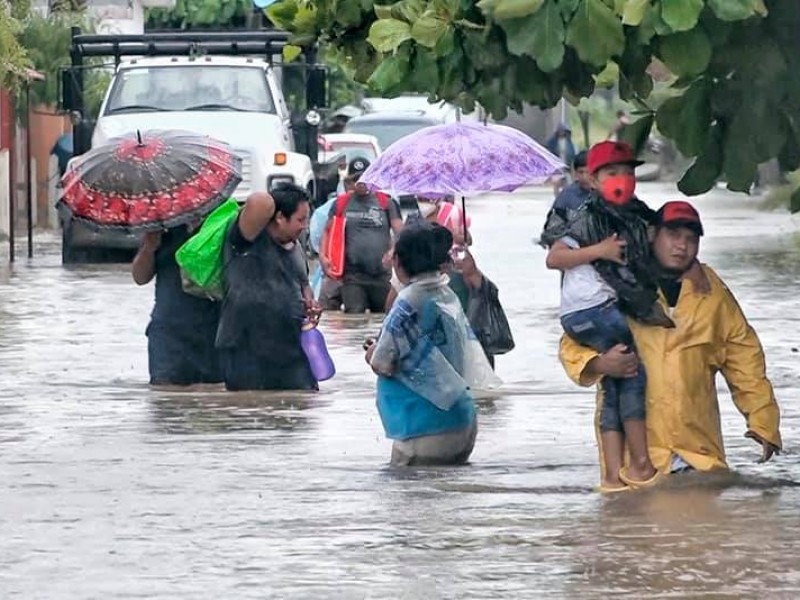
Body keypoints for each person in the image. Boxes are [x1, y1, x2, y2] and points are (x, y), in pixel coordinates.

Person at [560, 201, 782, 491]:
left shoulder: (714, 294)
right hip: (635, 464)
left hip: (699, 453)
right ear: (653, 235)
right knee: (631, 531)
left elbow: (745, 359)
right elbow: (572, 339)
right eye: (674, 236)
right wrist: (600, 364)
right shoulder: (618, 280)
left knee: (703, 531)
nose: (682, 246)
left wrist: (763, 423)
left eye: (691, 239)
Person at [543, 141, 669, 489]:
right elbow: (554, 259)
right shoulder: (587, 217)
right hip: (590, 310)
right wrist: (601, 250)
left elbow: (657, 236)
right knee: (632, 374)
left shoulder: (634, 213)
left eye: (629, 172)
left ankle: (614, 476)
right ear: (592, 180)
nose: (623, 179)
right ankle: (641, 464)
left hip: (592, 311)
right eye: (613, 173)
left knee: (614, 389)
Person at [365, 223, 496, 466]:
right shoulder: (446, 294)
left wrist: (372, 353)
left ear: (400, 261)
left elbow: (383, 363)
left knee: (406, 500)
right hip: (462, 419)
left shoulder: (407, 301)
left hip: (425, 428)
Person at [215, 186, 320, 391]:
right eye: (301, 219)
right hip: (245, 349)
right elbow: (259, 201)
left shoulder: (296, 247)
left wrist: (311, 306)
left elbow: (304, 284)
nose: (305, 227)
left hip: (290, 348)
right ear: (280, 217)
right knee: (251, 411)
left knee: (302, 407)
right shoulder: (246, 238)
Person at [132, 224, 221, 386]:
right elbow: (140, 277)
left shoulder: (221, 221)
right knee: (165, 397)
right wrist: (149, 247)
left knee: (213, 399)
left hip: (213, 330)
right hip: (169, 334)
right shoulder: (163, 225)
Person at [319, 158, 403, 314]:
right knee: (354, 320)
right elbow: (327, 231)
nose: (361, 183)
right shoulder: (341, 204)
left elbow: (401, 232)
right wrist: (323, 257)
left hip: (382, 276)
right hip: (352, 277)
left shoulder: (386, 203)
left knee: (383, 317)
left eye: (366, 178)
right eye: (357, 179)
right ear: (350, 181)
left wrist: (393, 252)